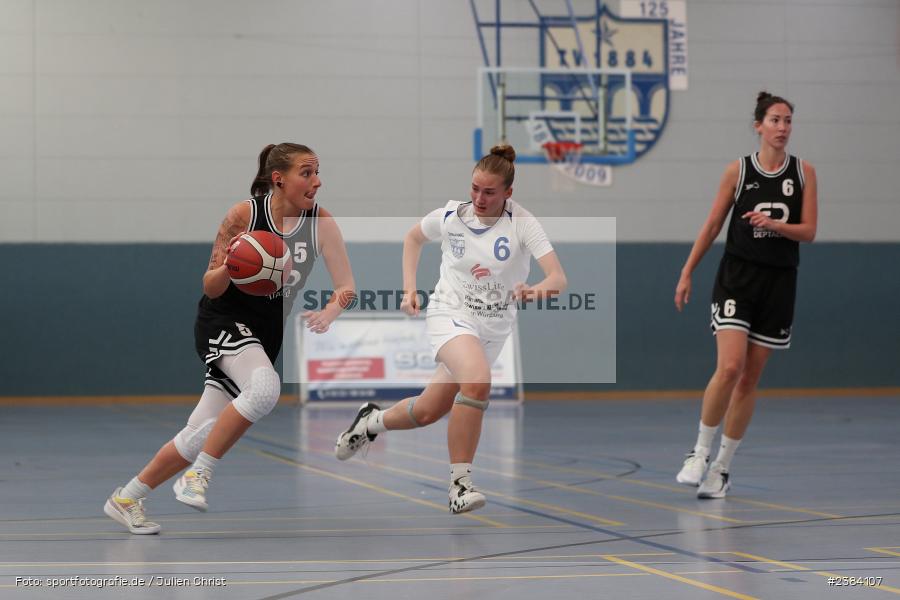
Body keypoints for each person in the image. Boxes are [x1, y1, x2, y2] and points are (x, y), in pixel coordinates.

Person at [104, 143, 355, 533]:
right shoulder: (244, 215)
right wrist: (236, 265)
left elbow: (346, 287)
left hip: (264, 334)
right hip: (223, 320)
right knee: (266, 389)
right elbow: (210, 284)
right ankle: (198, 475)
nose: (317, 181)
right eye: (306, 172)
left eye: (317, 171)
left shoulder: (321, 223)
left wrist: (329, 311)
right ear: (279, 179)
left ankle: (127, 497)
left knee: (199, 431)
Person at [334, 144, 567, 514]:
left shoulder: (523, 223)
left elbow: (557, 278)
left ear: (508, 193)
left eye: (489, 192)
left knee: (427, 411)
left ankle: (370, 422)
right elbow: (413, 238)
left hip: (493, 328)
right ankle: (460, 485)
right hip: (450, 314)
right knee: (477, 381)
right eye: (475, 188)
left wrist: (535, 291)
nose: (478, 198)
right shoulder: (451, 216)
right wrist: (410, 288)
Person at [674, 92, 818, 499]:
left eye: (788, 120)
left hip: (779, 281)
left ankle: (721, 469)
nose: (783, 127)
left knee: (749, 378)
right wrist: (687, 272)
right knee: (730, 366)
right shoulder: (737, 172)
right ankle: (699, 452)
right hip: (737, 277)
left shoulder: (804, 172)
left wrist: (775, 225)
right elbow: (712, 224)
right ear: (759, 125)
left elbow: (808, 231)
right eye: (775, 120)